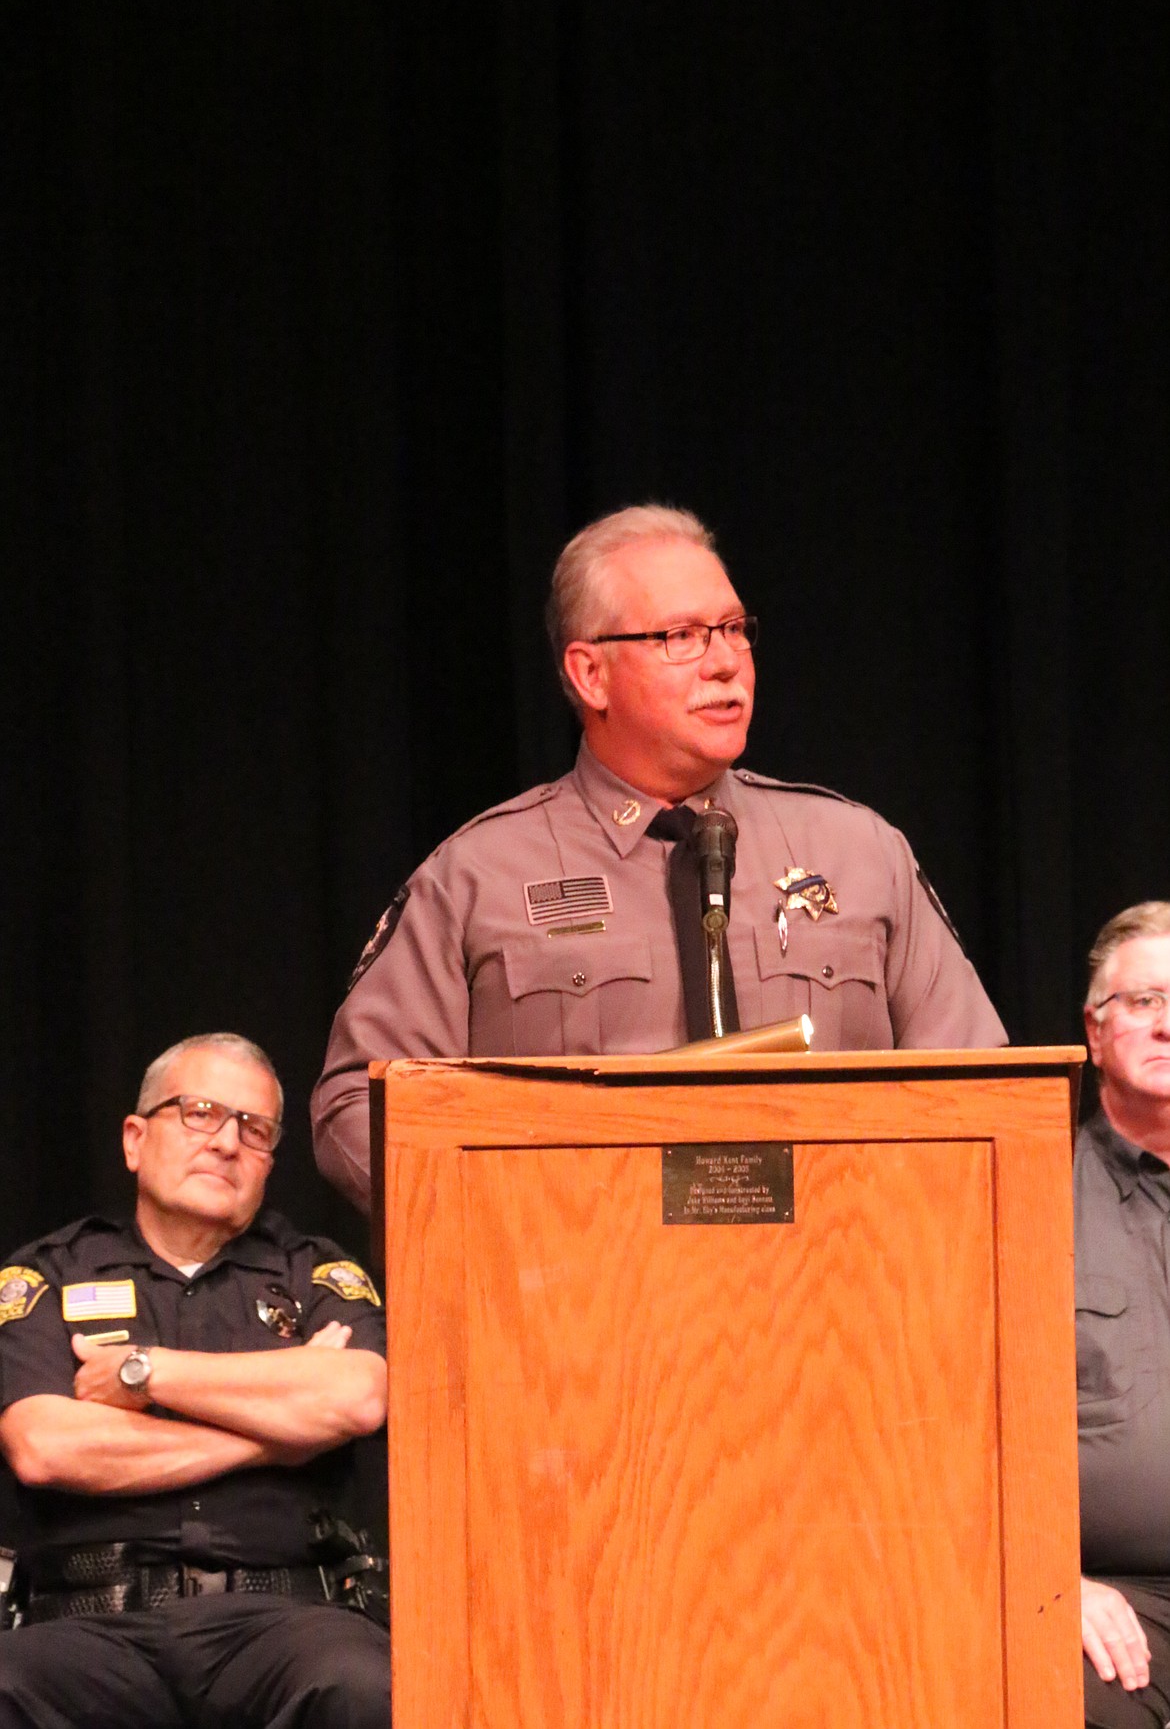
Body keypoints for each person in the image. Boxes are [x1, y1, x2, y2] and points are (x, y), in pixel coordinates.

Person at [313, 503, 1006, 1212]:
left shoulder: (860, 852)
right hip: (581, 1297)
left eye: (735, 629)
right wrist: (513, 1225)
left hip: (832, 1288)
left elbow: (986, 1093)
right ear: (590, 674)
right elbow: (357, 1109)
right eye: (682, 635)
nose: (727, 661)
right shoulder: (478, 876)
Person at [0, 1032, 390, 1729]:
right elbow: (44, 1446)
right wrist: (274, 1436)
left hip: (288, 1624)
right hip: (89, 1627)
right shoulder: (48, 1274)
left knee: (364, 1689)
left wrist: (146, 1373)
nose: (226, 1141)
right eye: (200, 1111)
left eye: (254, 1127)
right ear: (134, 1138)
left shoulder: (315, 1272)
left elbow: (358, 1395)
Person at [1076, 902, 1170, 1729]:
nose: (1168, 1026)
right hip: (1112, 1595)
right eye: (1145, 1003)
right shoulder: (1025, 1191)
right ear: (1095, 1032)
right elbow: (949, 1430)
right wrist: (1046, 1582)